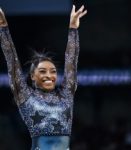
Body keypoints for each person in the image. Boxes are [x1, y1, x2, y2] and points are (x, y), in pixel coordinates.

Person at [0, 4, 87, 150]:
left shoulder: (66, 95)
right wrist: (3, 28)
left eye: (53, 71)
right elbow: (12, 61)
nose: (49, 75)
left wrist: (73, 29)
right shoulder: (25, 96)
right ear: (32, 76)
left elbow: (71, 61)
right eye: (43, 71)